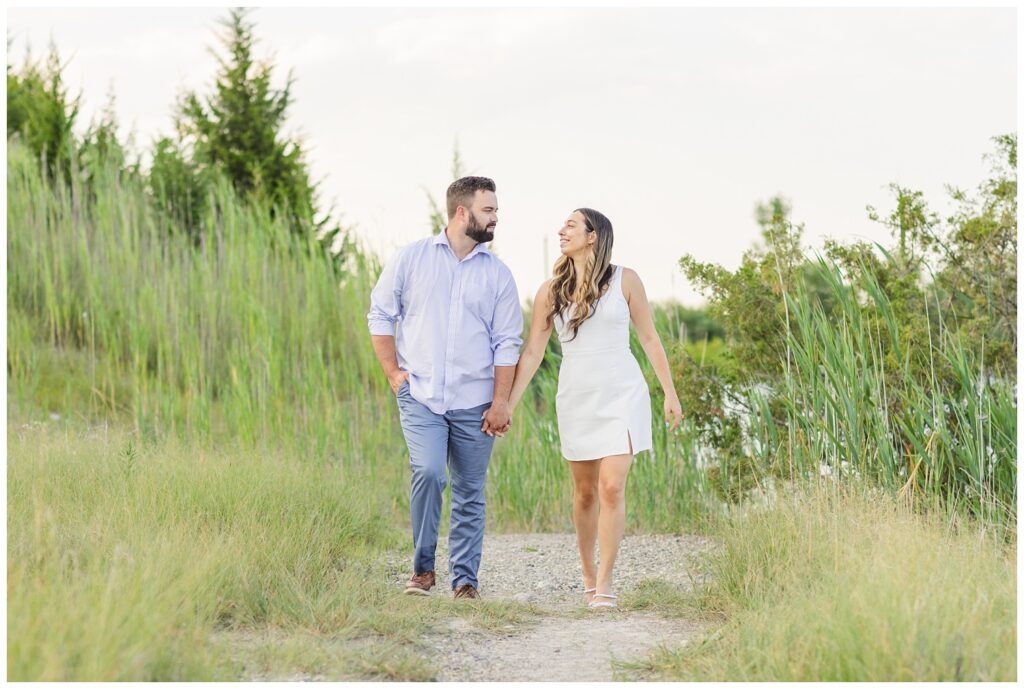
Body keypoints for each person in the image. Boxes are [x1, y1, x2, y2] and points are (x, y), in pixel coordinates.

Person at [507, 207, 682, 609]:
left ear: (593, 236)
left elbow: (650, 339)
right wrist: (509, 404)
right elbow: (533, 351)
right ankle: (587, 575)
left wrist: (670, 393)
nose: (561, 231)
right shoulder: (550, 291)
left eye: (571, 225)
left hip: (622, 392)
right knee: (585, 493)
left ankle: (605, 584)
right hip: (577, 395)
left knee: (611, 486)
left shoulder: (626, 280)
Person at [366, 176, 523, 599]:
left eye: (495, 211)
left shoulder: (498, 276)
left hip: (475, 402)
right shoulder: (412, 259)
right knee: (430, 472)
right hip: (420, 395)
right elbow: (380, 314)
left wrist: (501, 401)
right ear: (461, 212)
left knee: (471, 490)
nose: (495, 218)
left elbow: (507, 342)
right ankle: (422, 570)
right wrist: (393, 374)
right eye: (488, 210)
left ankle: (465, 580)